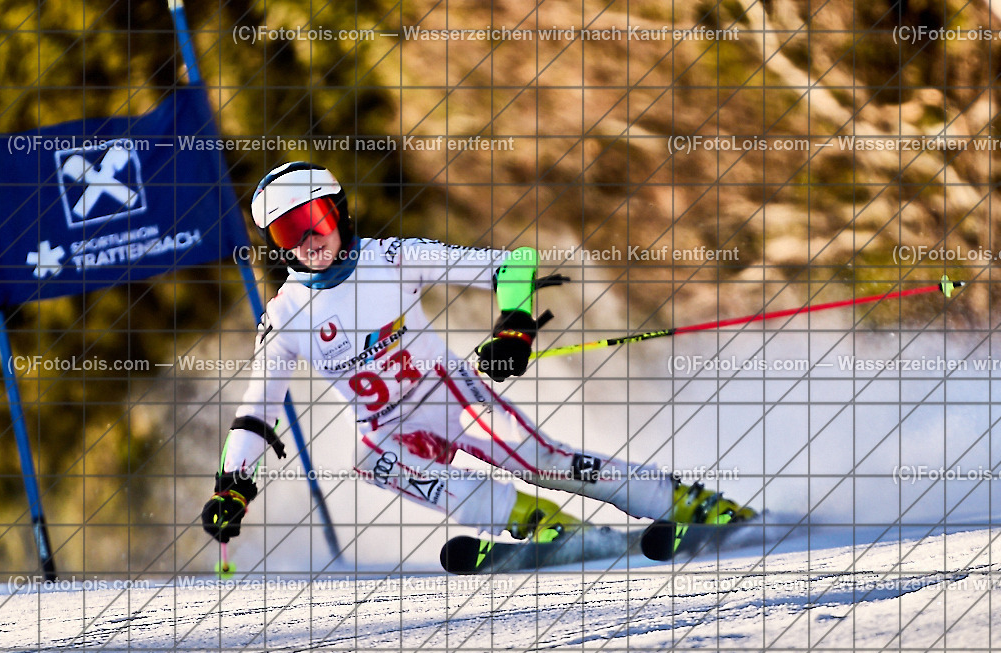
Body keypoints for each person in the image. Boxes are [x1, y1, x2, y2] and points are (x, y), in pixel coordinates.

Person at [201, 162, 754, 553]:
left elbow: (512, 266)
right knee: (370, 460)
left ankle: (692, 504)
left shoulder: (392, 258)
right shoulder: (288, 315)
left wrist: (514, 326)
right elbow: (257, 409)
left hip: (451, 395)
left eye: (313, 220)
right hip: (389, 428)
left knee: (542, 461)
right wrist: (232, 484)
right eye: (287, 232)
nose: (306, 241)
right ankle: (539, 524)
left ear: (339, 213)